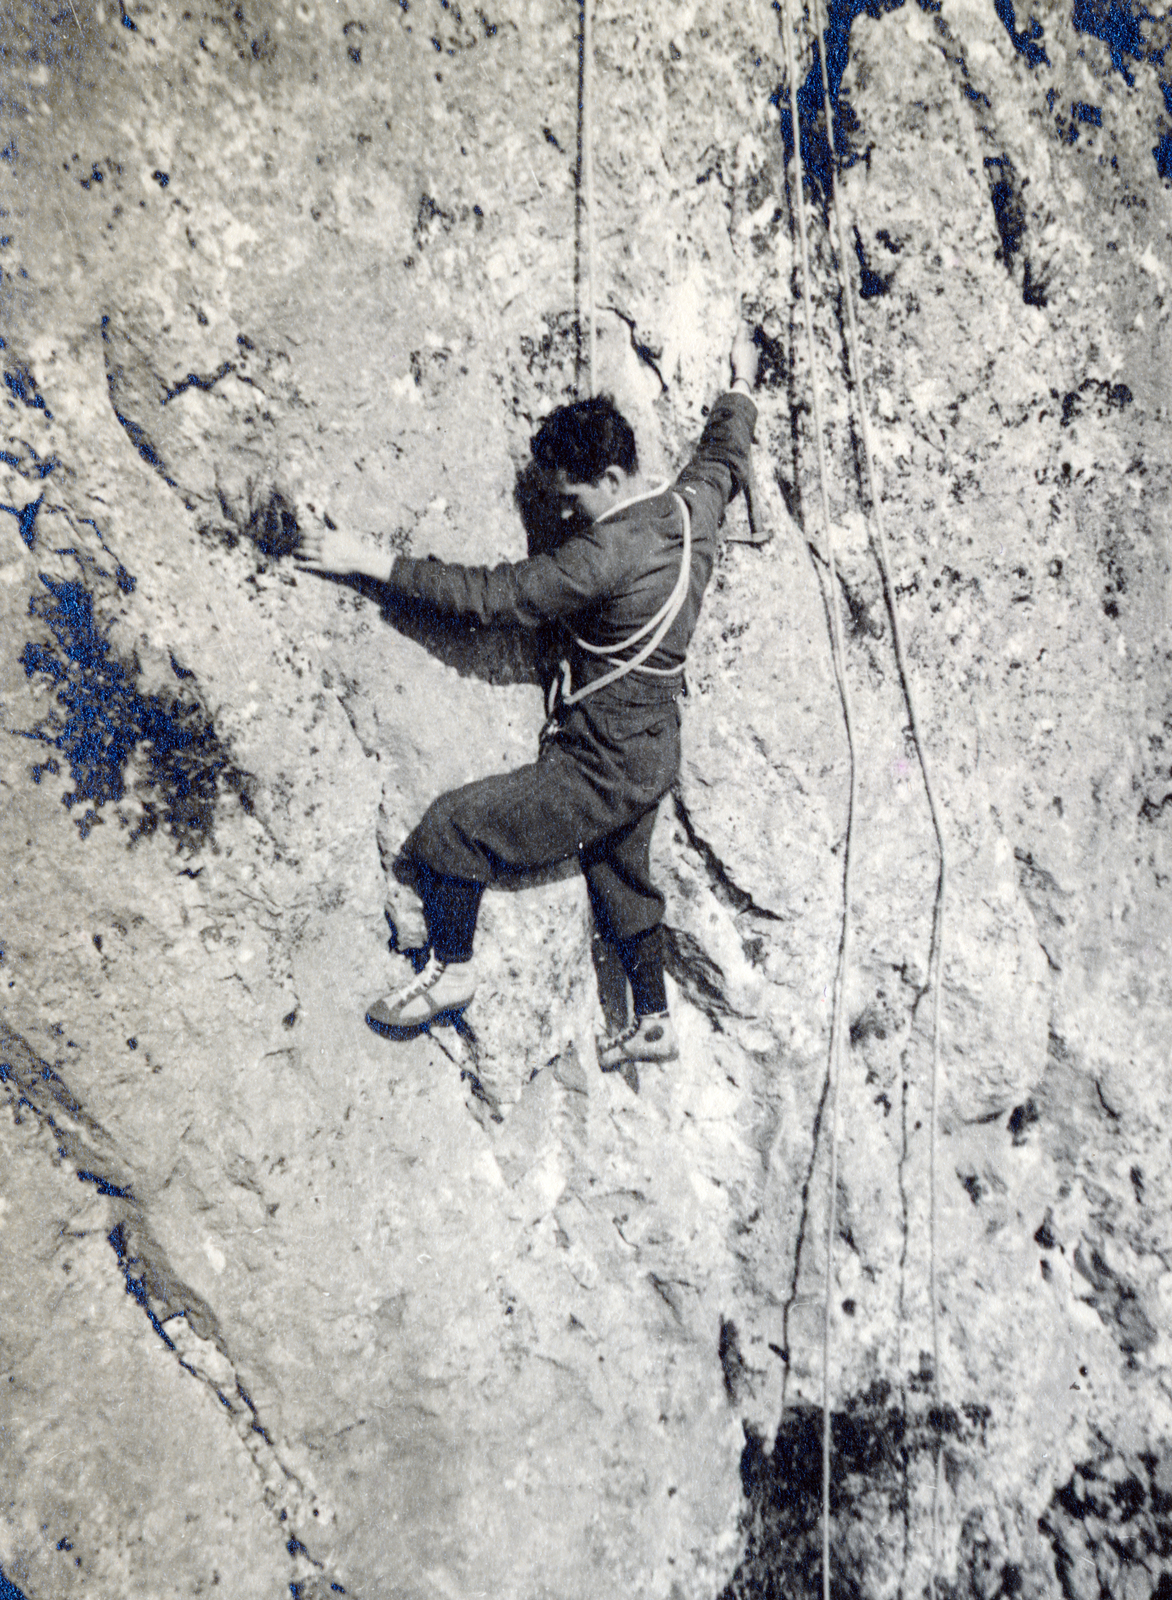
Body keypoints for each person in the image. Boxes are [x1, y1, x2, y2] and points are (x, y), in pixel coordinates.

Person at [296, 325, 759, 1068]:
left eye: (571, 496)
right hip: (653, 750)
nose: (566, 511)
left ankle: (453, 972)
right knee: (621, 873)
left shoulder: (598, 557)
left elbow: (490, 597)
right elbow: (725, 454)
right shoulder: (690, 507)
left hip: (597, 764)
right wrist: (740, 383)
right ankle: (653, 1018)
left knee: (453, 829)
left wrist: (366, 560)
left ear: (610, 477)